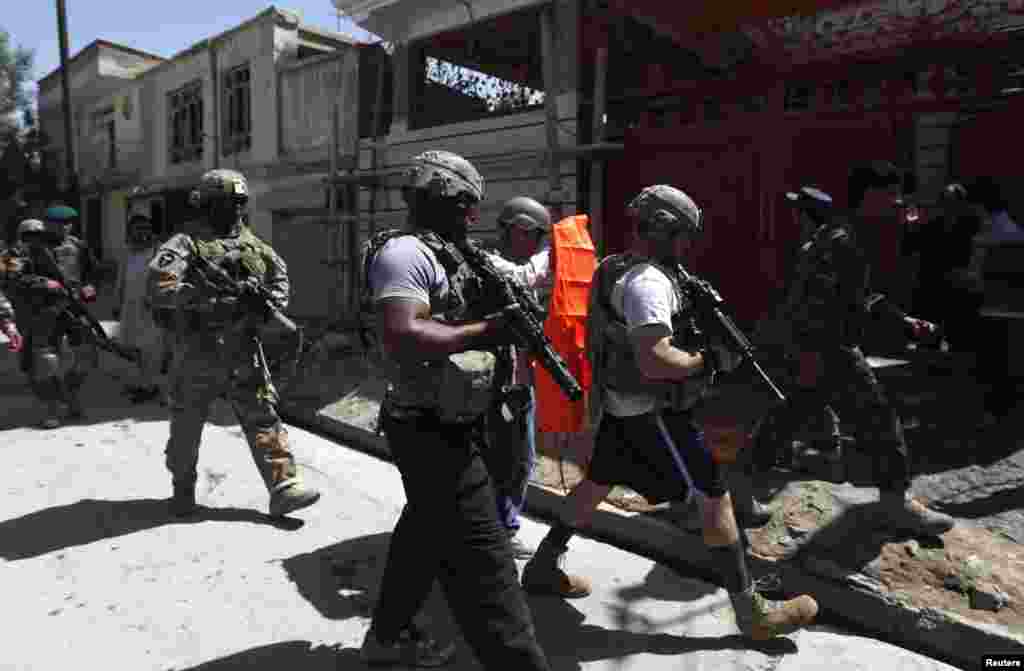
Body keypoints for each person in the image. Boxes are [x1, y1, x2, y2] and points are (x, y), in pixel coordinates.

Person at [520, 184, 819, 641]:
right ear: (662, 230)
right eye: (683, 236)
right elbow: (654, 360)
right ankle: (751, 612)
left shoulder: (620, 267)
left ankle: (543, 565)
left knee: (595, 484)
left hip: (625, 410)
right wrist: (709, 361)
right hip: (654, 413)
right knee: (714, 497)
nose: (687, 247)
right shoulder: (649, 284)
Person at [359, 151, 551, 669]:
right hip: (428, 427)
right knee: (486, 567)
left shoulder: (457, 254)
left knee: (423, 534)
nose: (474, 216)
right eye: (469, 205)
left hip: (463, 417)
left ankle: (386, 639)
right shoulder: (405, 254)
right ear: (449, 200)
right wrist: (488, 330)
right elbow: (402, 333)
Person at [756, 161, 955, 537]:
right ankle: (895, 506)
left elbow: (860, 296)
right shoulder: (841, 240)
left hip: (821, 348)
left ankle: (739, 490)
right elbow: (816, 302)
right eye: (890, 193)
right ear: (869, 197)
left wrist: (903, 322)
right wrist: (813, 354)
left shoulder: (846, 236)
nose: (898, 201)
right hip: (830, 349)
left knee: (784, 419)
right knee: (879, 423)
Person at [146, 169, 320, 518]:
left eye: (237, 203)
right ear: (205, 205)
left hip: (243, 350)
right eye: (223, 203)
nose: (232, 210)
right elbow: (159, 288)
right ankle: (183, 487)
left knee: (263, 418)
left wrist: (263, 302)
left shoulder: (256, 247)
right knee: (186, 427)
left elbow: (280, 284)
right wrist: (207, 302)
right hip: (197, 350)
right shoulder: (185, 243)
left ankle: (284, 486)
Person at [483, 196, 554, 559]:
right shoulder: (489, 262)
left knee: (518, 459)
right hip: (496, 383)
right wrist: (552, 252)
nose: (537, 243)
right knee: (508, 459)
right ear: (515, 230)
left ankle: (498, 525)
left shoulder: (522, 266)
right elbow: (523, 277)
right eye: (534, 235)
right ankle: (501, 529)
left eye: (541, 237)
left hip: (519, 381)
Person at [0, 213, 100, 428]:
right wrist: (43, 283)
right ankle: (51, 407)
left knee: (87, 354)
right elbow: (10, 280)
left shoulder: (66, 247)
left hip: (72, 307)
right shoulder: (12, 254)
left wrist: (89, 286)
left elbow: (91, 271)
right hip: (40, 311)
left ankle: (70, 392)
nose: (34, 238)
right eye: (29, 235)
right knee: (45, 361)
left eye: (38, 234)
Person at [115, 214, 164, 403]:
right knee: (134, 347)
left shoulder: (158, 251)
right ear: (131, 231)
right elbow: (121, 280)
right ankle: (143, 383)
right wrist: (116, 302)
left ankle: (150, 386)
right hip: (130, 305)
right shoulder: (127, 252)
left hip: (151, 306)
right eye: (138, 228)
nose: (142, 232)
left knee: (152, 347)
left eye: (146, 228)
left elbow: (166, 278)